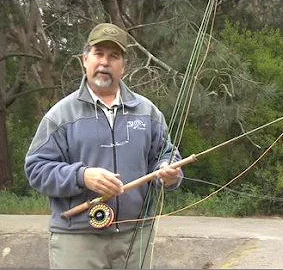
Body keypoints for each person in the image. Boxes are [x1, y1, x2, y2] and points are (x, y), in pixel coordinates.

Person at [24, 23, 183, 269]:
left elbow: (166, 155)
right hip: (77, 239)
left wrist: (169, 172)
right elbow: (36, 169)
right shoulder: (60, 115)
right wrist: (82, 176)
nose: (105, 62)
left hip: (136, 236)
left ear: (124, 67)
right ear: (85, 60)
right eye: (98, 54)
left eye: (114, 56)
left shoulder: (148, 112)